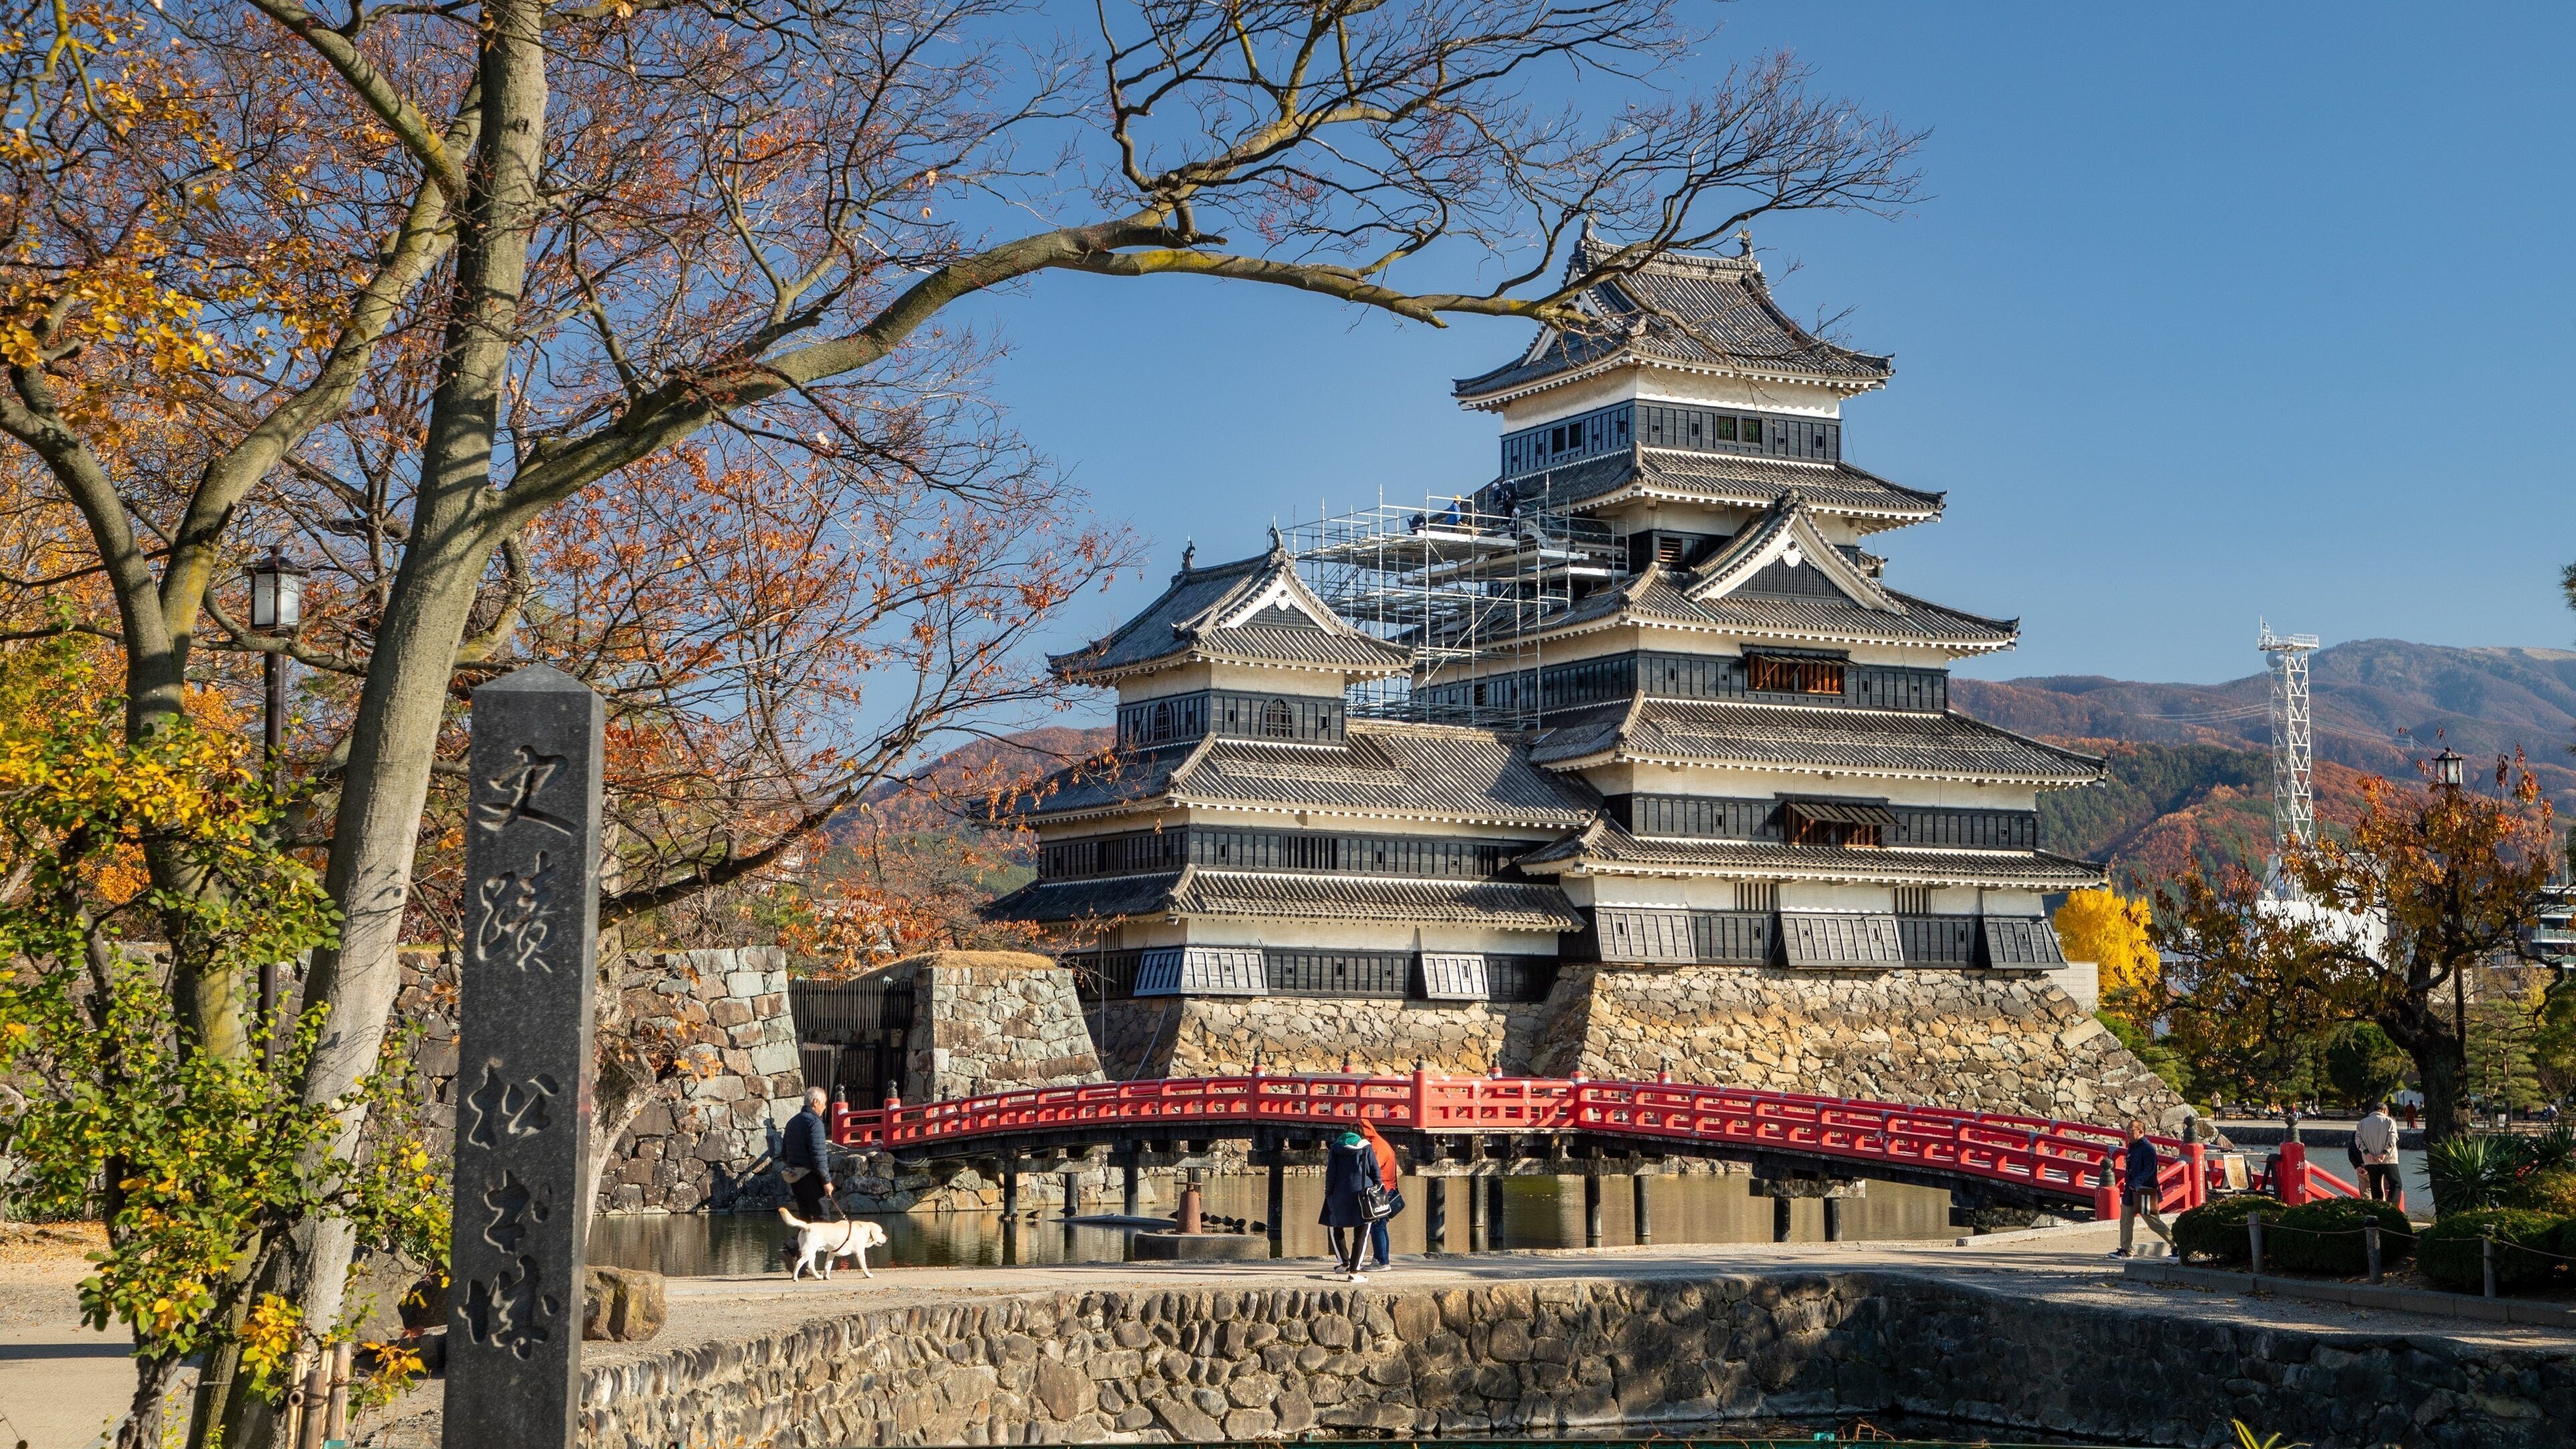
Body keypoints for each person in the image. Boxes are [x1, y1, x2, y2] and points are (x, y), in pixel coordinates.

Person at [1319, 1130, 1379, 1282]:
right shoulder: (1366, 1148)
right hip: (1362, 1194)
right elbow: (1375, 1172)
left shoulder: (1335, 1149)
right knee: (1362, 1233)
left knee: (1335, 1226)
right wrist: (1378, 1189)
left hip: (1339, 1194)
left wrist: (1329, 1194)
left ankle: (1344, 1263)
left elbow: (1330, 1174)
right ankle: (1354, 1272)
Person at [2110, 1119, 2173, 1260]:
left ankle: (2177, 1245)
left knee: (2152, 1221)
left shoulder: (2147, 1148)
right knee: (2126, 1219)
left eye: (2131, 1130)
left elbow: (2150, 1169)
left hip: (2145, 1190)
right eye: (2126, 1130)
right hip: (2130, 1189)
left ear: (2141, 1132)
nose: (2128, 1133)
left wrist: (2137, 1182)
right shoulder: (2133, 1147)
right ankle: (2126, 1249)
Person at [782, 1086, 836, 1222]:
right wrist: (826, 1181)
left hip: (794, 1176)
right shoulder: (815, 1123)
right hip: (810, 1176)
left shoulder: (792, 1122)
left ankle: (801, 1237)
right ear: (815, 1102)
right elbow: (819, 1156)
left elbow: (784, 1153)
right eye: (824, 1103)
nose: (825, 1108)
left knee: (805, 1218)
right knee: (822, 1218)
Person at [1359, 1120, 1403, 1270]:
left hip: (1383, 1191)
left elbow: (1373, 1168)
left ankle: (1381, 1261)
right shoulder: (1380, 1143)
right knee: (1381, 1226)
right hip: (1387, 1188)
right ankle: (1382, 1259)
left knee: (1377, 1225)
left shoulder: (1377, 1146)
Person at [2354, 1099, 2400, 1202]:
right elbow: (2392, 1140)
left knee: (2375, 1187)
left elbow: (2358, 1141)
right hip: (2388, 1160)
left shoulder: (2362, 1123)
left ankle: (2378, 1207)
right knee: (2396, 1184)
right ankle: (2391, 1207)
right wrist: (2384, 1153)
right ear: (2385, 1111)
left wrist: (2367, 1153)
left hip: (2370, 1160)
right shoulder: (2389, 1122)